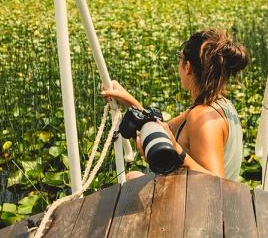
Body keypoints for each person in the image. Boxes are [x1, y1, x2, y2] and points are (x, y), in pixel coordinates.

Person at [101, 28, 248, 181]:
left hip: (206, 203)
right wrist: (128, 100)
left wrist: (178, 152)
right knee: (134, 177)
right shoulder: (219, 105)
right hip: (200, 198)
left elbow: (218, 184)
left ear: (187, 67)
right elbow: (162, 127)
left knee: (132, 178)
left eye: (179, 57)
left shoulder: (201, 118)